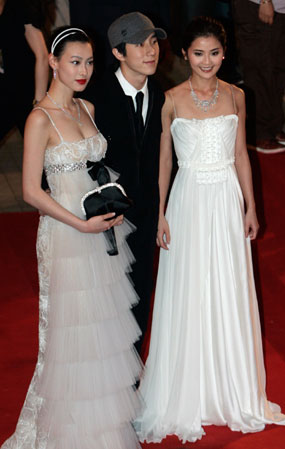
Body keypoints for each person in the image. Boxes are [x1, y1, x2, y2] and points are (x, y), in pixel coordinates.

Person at [134, 16, 285, 443]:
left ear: (226, 53)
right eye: (199, 53)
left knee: (227, 284)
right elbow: (164, 161)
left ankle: (230, 386)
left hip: (225, 199)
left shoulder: (238, 95)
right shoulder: (169, 99)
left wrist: (250, 205)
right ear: (185, 54)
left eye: (216, 53)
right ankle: (186, 387)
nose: (208, 61)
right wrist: (162, 211)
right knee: (188, 286)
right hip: (187, 201)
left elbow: (241, 154)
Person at [1, 26, 141, 449]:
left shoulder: (88, 108)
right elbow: (30, 190)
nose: (83, 70)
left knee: (102, 326)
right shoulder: (39, 118)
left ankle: (102, 426)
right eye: (74, 61)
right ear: (53, 63)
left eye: (90, 61)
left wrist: (110, 204)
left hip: (99, 232)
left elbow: (96, 170)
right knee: (71, 332)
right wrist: (79, 224)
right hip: (65, 237)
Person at [86, 12, 167, 355]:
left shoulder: (163, 95)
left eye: (153, 42)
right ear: (119, 53)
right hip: (106, 219)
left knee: (141, 297)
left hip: (148, 215)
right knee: (105, 302)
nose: (151, 51)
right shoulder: (95, 98)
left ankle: (131, 383)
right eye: (139, 44)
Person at [233, 0, 285, 154]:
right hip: (258, 6)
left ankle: (273, 128)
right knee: (259, 70)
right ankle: (258, 133)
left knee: (282, 70)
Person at [0, 0, 49, 139]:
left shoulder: (23, 7)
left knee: (40, 146)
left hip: (28, 89)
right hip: (7, 85)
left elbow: (43, 57)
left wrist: (39, 104)